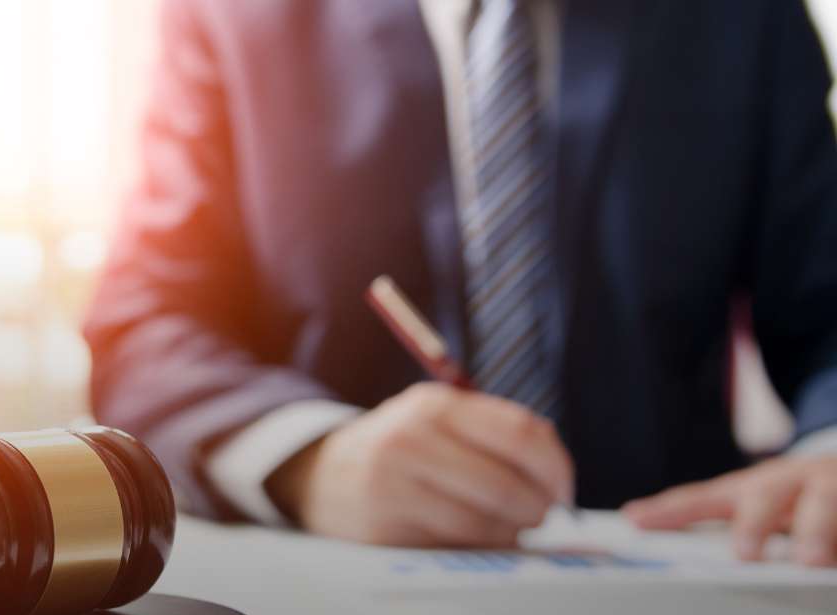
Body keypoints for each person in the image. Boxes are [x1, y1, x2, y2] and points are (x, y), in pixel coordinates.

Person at [84, 0, 837, 567]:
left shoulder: (746, 17)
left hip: (683, 573)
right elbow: (146, 324)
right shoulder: (232, 17)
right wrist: (314, 458)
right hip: (350, 588)